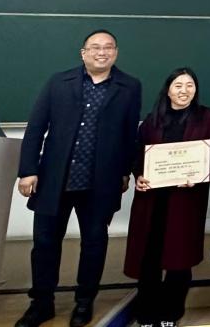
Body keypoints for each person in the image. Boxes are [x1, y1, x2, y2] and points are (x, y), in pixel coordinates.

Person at [15, 30, 142, 327]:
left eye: (108, 47)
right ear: (83, 53)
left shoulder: (129, 86)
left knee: (94, 244)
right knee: (45, 244)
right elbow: (36, 127)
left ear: (116, 52)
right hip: (54, 180)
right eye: (95, 47)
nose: (102, 52)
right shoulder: (58, 82)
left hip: (100, 182)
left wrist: (125, 171)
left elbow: (129, 135)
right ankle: (41, 304)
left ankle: (84, 302)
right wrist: (28, 170)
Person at [124, 68, 210, 327]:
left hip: (186, 200)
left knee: (179, 259)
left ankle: (171, 314)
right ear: (168, 90)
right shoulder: (152, 120)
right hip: (152, 201)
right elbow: (138, 153)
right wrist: (139, 175)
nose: (184, 90)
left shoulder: (207, 117)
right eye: (178, 85)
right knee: (149, 259)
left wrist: (198, 173)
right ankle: (147, 314)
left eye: (190, 85)